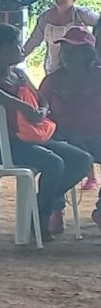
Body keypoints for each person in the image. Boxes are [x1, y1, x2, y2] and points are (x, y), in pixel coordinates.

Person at [0, 23, 92, 239]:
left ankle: (40, 205)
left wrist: (42, 110)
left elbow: (42, 99)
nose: (21, 49)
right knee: (54, 162)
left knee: (81, 160)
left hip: (35, 137)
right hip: (10, 144)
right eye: (16, 45)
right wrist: (20, 106)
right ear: (1, 49)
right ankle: (41, 216)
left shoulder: (19, 75)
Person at [39, 26, 101, 224]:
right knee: (61, 159)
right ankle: (54, 206)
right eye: (65, 49)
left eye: (74, 51)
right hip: (63, 140)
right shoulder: (52, 81)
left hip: (96, 137)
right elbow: (41, 115)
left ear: (88, 54)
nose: (67, 55)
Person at [23, 0, 100, 75]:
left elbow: (99, 22)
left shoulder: (81, 14)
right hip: (52, 68)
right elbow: (34, 41)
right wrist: (19, 56)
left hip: (76, 69)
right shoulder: (46, 17)